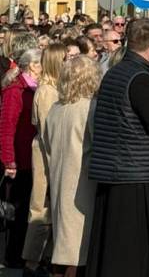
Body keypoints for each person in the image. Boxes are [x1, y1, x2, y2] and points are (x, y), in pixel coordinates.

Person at [86, 18, 149, 277]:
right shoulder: (140, 79)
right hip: (143, 177)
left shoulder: (115, 73)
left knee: (120, 253)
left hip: (121, 171)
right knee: (141, 255)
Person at [44, 54, 100, 275]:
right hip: (83, 183)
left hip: (59, 179)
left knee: (63, 242)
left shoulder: (55, 109)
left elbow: (47, 145)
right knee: (78, 248)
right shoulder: (91, 108)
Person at [22, 41, 67, 272]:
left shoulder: (52, 88)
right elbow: (49, 131)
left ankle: (42, 260)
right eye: (65, 59)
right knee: (41, 208)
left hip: (48, 152)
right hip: (46, 155)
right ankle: (32, 262)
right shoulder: (48, 91)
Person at [0, 46, 43, 267]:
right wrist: (9, 160)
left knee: (25, 208)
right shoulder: (15, 90)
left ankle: (20, 254)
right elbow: (7, 127)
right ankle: (11, 256)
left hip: (30, 158)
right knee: (14, 210)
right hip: (19, 159)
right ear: (33, 66)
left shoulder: (35, 88)